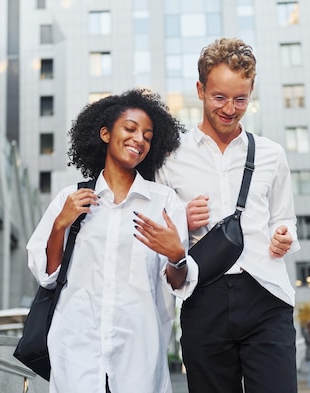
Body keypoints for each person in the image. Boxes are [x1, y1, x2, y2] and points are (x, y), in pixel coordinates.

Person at [26, 88, 199, 393]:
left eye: (147, 135)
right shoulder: (70, 199)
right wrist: (59, 226)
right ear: (105, 134)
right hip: (78, 350)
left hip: (138, 354)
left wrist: (177, 256)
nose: (139, 139)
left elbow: (176, 282)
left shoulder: (164, 203)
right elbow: (48, 275)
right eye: (130, 129)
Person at [156, 37, 301, 392]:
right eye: (219, 97)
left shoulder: (271, 154)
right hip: (203, 298)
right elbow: (157, 234)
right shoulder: (170, 158)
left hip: (267, 295)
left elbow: (284, 217)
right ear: (200, 90)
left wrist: (284, 236)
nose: (230, 109)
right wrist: (181, 219)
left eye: (241, 99)